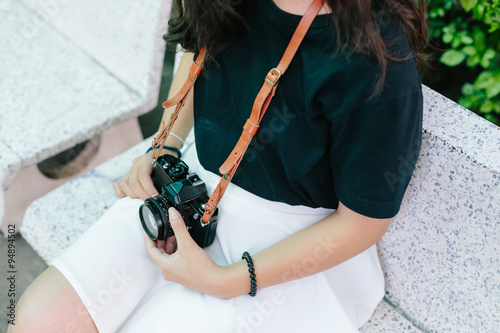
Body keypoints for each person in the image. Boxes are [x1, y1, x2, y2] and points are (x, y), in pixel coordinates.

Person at [10, 0, 427, 332]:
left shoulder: (377, 62)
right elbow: (199, 47)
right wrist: (165, 146)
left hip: (289, 245)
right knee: (40, 322)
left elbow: (362, 222)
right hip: (193, 189)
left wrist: (223, 281)